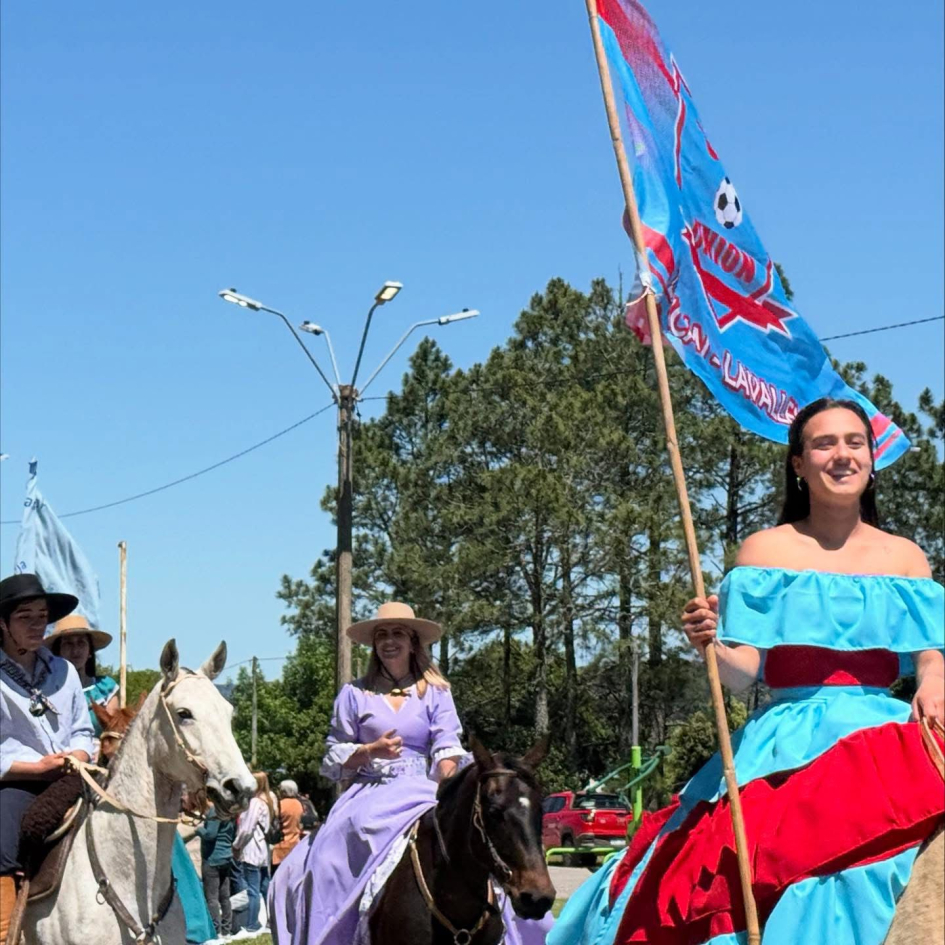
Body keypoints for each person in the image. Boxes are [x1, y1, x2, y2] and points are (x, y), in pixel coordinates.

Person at [550, 398, 945, 945]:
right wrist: (709, 644)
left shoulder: (907, 557)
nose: (842, 455)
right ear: (798, 464)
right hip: (789, 738)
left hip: (887, 732)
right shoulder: (765, 549)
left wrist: (933, 685)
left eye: (855, 442)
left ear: (872, 460)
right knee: (738, 867)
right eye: (824, 443)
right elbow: (742, 674)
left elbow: (931, 657)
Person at [268, 600, 553, 945]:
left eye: (398, 633)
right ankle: (332, 931)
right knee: (330, 852)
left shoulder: (436, 691)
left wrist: (447, 775)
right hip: (369, 790)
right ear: (374, 644)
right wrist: (369, 751)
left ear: (413, 641)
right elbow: (332, 755)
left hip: (422, 787)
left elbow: (447, 744)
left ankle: (515, 927)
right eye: (382, 634)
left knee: (475, 839)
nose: (389, 641)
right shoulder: (354, 694)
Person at [0, 574, 94, 941]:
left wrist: (81, 753)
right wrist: (37, 766)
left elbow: (83, 729)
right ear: (2, 623)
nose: (38, 624)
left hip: (73, 776)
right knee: (2, 843)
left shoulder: (64, 670)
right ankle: (5, 932)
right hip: (15, 782)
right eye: (26, 616)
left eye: (42, 615)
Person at [46, 613, 118, 751]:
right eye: (68, 644)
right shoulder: (48, 690)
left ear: (90, 651)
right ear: (58, 651)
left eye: (81, 643)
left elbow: (113, 732)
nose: (76, 650)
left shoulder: (105, 688)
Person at [233, 771, 275, 936]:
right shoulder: (269, 800)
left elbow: (247, 829)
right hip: (263, 850)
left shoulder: (255, 803)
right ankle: (272, 919)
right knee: (265, 887)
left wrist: (236, 846)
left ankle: (252, 923)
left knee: (253, 889)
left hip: (252, 849)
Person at [197, 801, 236, 940]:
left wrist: (198, 829)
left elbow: (210, 835)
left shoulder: (215, 811)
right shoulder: (229, 810)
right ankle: (227, 930)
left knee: (212, 898)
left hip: (212, 859)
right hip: (226, 857)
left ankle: (216, 931)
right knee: (225, 897)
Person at [271, 780, 304, 876]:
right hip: (295, 844)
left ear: (284, 792)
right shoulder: (299, 804)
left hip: (281, 845)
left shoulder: (280, 804)